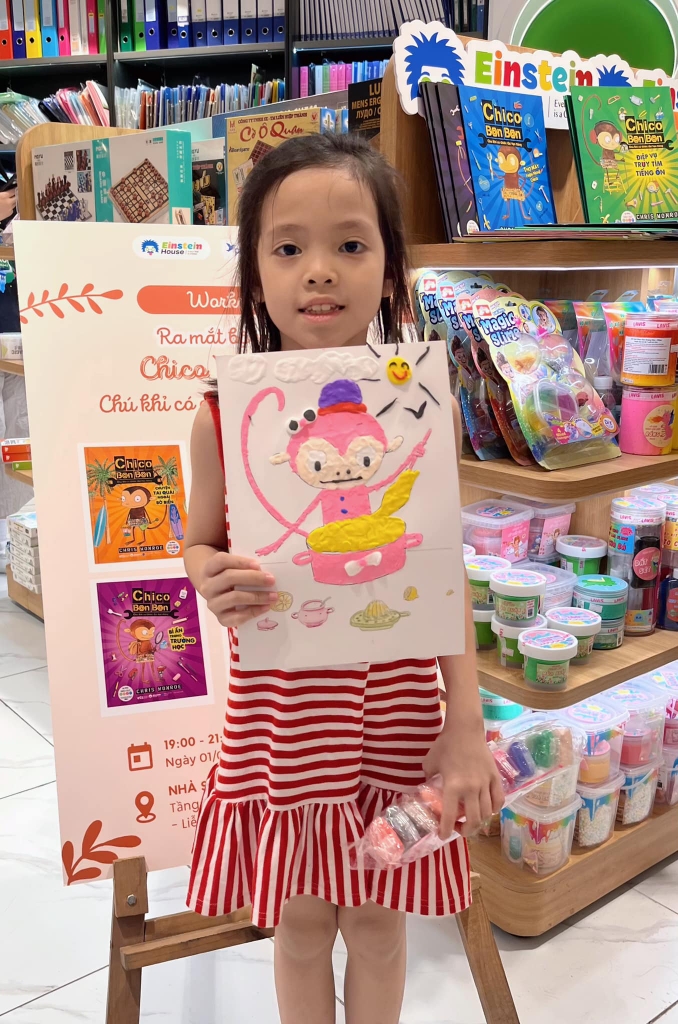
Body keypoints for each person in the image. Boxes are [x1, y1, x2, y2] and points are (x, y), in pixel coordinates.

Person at [183, 133, 503, 1024]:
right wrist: (208, 572)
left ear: (393, 272)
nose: (319, 270)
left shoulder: (420, 414)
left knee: (377, 920)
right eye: (288, 247)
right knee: (297, 923)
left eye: (351, 244)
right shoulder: (222, 418)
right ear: (254, 276)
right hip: (282, 719)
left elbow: (444, 571)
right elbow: (198, 541)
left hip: (396, 713)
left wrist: (465, 724)